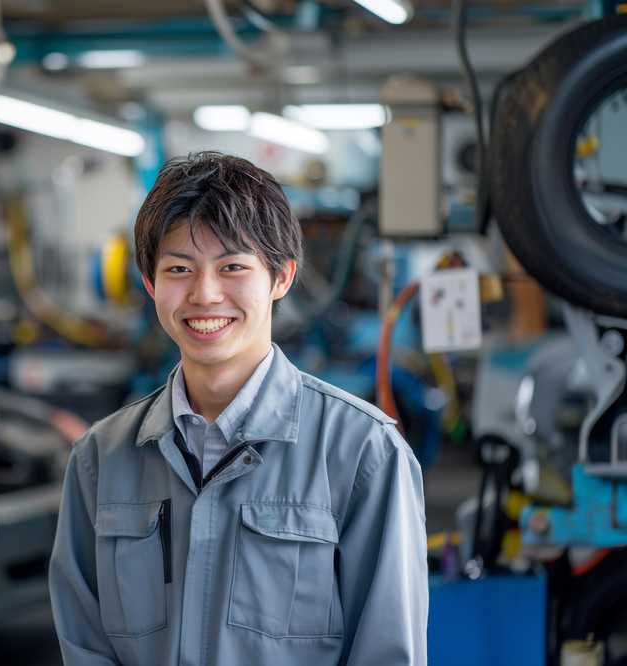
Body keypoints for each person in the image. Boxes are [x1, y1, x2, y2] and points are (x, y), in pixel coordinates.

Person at [49, 152, 427, 665]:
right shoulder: (101, 459)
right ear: (149, 282)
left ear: (281, 278)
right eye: (179, 269)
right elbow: (85, 644)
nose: (205, 294)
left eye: (232, 267)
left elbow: (386, 652)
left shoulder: (363, 453)